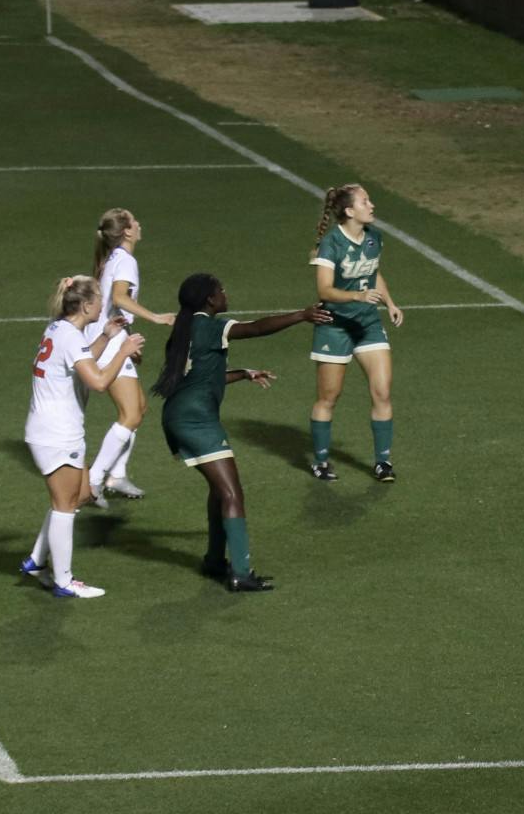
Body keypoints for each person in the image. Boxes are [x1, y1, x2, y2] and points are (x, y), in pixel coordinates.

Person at [157, 273, 331, 591]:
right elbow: (256, 328)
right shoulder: (209, 325)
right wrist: (302, 315)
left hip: (178, 416)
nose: (225, 293)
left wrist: (243, 373)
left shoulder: (185, 329)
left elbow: (201, 377)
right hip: (198, 421)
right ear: (210, 300)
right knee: (232, 493)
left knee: (218, 489)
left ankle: (213, 560)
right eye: (221, 290)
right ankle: (241, 572)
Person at [18, 275, 147, 599]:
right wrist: (124, 349)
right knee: (66, 505)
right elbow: (99, 381)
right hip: (57, 434)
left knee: (78, 497)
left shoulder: (59, 329)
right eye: (99, 299)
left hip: (49, 431)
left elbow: (81, 360)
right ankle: (64, 581)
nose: (103, 303)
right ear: (87, 305)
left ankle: (36, 560)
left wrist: (106, 337)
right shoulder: (70, 337)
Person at [307, 184, 403, 481]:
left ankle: (383, 463)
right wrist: (358, 297)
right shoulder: (331, 243)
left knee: (383, 391)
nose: (372, 205)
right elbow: (324, 289)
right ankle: (321, 462)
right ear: (350, 211)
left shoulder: (375, 237)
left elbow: (372, 272)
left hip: (367, 325)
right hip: (334, 327)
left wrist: (389, 302)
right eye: (365, 201)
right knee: (329, 397)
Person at [83, 208, 174, 504]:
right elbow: (120, 298)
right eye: (134, 221)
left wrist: (127, 341)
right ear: (126, 232)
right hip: (107, 342)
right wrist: (156, 318)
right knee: (131, 413)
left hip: (114, 338)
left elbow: (114, 304)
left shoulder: (114, 258)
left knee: (140, 408)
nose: (139, 223)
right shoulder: (125, 261)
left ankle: (117, 475)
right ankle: (94, 482)